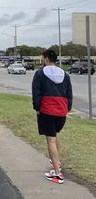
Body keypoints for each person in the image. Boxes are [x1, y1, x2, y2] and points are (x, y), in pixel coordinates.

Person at [32, 49, 73, 184]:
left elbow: (36, 93)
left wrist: (37, 108)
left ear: (45, 58)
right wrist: (67, 108)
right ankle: (57, 162)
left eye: (42, 58)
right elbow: (69, 93)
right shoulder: (65, 74)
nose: (42, 60)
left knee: (50, 140)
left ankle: (57, 174)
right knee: (54, 135)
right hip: (61, 111)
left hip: (47, 110)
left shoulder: (40, 73)